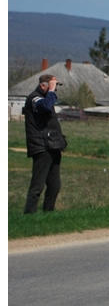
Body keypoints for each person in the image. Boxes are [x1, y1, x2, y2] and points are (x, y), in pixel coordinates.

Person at [22, 73, 67, 213]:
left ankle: (48, 213)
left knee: (54, 186)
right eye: (53, 86)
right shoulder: (34, 98)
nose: (55, 90)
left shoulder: (46, 98)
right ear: (43, 86)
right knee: (37, 185)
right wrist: (51, 91)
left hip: (53, 145)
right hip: (41, 147)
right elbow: (46, 106)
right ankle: (29, 214)